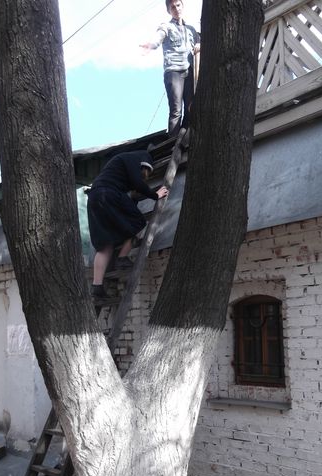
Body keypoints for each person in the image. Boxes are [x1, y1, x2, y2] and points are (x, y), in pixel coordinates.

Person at [87, 150, 169, 299]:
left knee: (105, 245)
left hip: (94, 198)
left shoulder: (119, 165)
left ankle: (97, 286)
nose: (144, 176)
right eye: (145, 172)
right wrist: (155, 195)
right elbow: (138, 183)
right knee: (139, 222)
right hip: (109, 195)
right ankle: (123, 258)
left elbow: (133, 190)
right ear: (145, 164)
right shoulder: (134, 159)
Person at [141, 0, 200, 137]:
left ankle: (185, 138)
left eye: (178, 5)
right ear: (169, 11)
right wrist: (150, 45)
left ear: (182, 6)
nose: (176, 9)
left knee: (191, 108)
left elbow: (201, 42)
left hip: (189, 71)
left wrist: (199, 45)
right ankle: (172, 142)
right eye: (172, 7)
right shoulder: (166, 27)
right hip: (174, 71)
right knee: (176, 110)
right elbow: (158, 38)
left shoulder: (191, 29)